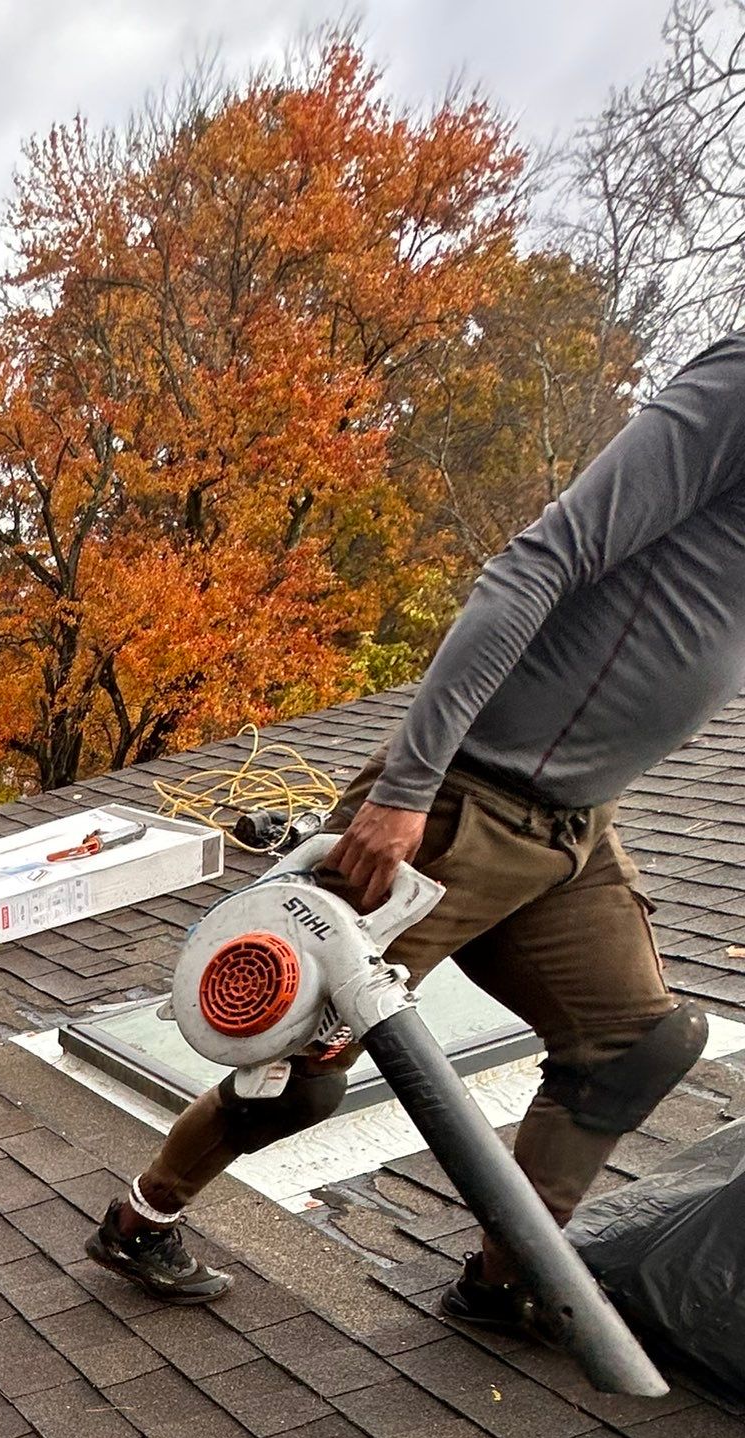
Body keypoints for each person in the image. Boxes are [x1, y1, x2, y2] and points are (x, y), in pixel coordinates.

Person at [87, 332, 745, 1320]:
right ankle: (142, 1220)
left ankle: (507, 1280)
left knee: (637, 1042)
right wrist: (406, 788)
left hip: (573, 833)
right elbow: (535, 566)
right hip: (457, 808)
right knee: (296, 1073)